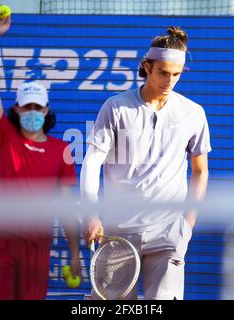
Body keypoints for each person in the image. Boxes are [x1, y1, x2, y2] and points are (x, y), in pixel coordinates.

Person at [80, 26, 211, 300]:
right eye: (163, 72)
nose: (170, 81)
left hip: (169, 234)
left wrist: (189, 222)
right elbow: (92, 163)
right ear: (146, 67)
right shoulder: (115, 107)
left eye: (176, 74)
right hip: (119, 232)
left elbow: (200, 171)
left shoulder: (194, 113)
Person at [0, 11, 80, 300]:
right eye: (27, 107)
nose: (33, 112)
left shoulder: (61, 150)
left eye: (38, 107)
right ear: (17, 110)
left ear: (47, 111)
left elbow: (67, 207)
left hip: (37, 243)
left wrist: (75, 254)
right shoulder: (3, 136)